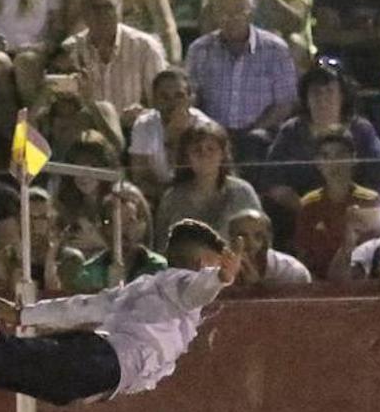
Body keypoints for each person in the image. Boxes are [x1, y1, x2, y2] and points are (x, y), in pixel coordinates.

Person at [0, 211, 239, 406]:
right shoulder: (180, 283)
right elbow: (196, 290)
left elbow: (85, 306)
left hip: (99, 356)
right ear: (205, 258)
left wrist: (25, 315)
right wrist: (219, 279)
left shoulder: (144, 286)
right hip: (104, 366)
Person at [184, 0, 298, 174]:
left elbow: (285, 103)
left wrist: (254, 130)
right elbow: (192, 97)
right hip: (211, 134)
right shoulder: (199, 49)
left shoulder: (275, 49)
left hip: (260, 136)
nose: (231, 19)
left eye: (238, 12)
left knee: (256, 144)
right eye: (224, 13)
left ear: (251, 13)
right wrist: (211, 131)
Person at [264, 61, 380, 220]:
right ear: (306, 97)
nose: (322, 99)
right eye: (316, 92)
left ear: (343, 96)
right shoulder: (292, 131)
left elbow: (379, 177)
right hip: (301, 217)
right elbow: (274, 182)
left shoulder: (362, 130)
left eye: (329, 91)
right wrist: (310, 211)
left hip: (356, 216)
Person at [57, 0, 167, 125]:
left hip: (135, 131)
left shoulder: (146, 47)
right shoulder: (71, 49)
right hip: (89, 134)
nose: (102, 14)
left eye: (108, 7)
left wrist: (143, 114)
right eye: (94, 8)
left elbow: (163, 103)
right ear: (83, 13)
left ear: (120, 10)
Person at [153, 119, 262, 248]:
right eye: (197, 150)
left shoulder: (243, 192)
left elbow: (260, 238)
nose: (204, 155)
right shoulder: (172, 198)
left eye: (211, 149)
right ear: (186, 157)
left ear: (222, 154)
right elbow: (161, 245)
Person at [292, 126, 380, 279]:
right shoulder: (309, 204)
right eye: (326, 156)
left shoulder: (371, 200)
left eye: (340, 154)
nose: (334, 162)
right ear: (318, 163)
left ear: (354, 159)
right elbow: (303, 257)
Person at [61, 181, 167, 292]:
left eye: (130, 221)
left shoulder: (158, 268)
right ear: (103, 228)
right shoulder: (89, 271)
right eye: (114, 222)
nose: (122, 230)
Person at [129, 67, 210, 204]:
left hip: (199, 199)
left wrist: (177, 138)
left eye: (179, 96)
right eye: (164, 97)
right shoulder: (144, 125)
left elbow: (205, 179)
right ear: (154, 100)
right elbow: (140, 178)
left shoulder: (204, 127)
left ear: (190, 99)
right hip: (158, 198)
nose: (172, 103)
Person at [228, 209, 311, 286]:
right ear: (230, 239)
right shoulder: (218, 268)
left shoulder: (291, 270)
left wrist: (256, 285)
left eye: (258, 236)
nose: (251, 243)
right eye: (242, 236)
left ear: (269, 238)